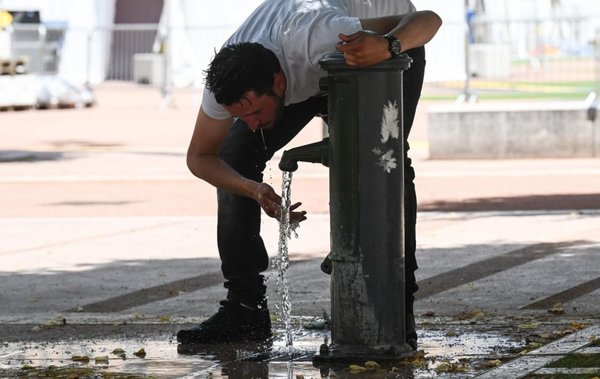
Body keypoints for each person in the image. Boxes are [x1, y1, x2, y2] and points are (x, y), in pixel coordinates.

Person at [177, 0, 442, 349]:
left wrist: (388, 45)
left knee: (383, 161)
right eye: (243, 117)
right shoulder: (226, 83)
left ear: (278, 81)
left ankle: (395, 306)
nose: (251, 124)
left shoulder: (321, 34)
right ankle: (245, 309)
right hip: (309, 70)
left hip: (381, 49)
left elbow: (426, 21)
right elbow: (200, 157)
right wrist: (251, 189)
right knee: (235, 155)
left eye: (255, 112)